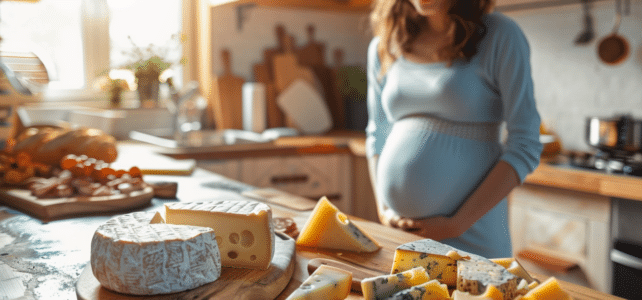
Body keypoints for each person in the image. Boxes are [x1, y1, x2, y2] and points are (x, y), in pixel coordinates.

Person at [365, 0, 543, 258]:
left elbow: (526, 143)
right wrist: (384, 209)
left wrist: (456, 223)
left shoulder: (499, 35)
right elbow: (377, 135)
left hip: (472, 234)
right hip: (403, 238)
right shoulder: (386, 45)